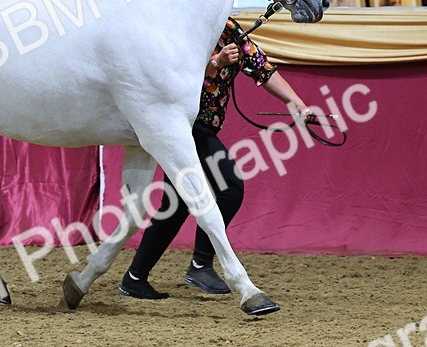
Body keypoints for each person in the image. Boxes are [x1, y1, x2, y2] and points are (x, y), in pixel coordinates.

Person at [117, 17, 315, 303]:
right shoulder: (180, 25)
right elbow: (167, 75)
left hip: (199, 127)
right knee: (229, 187)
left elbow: (262, 67)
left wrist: (295, 102)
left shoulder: (230, 29)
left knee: (176, 205)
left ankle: (135, 277)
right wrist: (215, 63)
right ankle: (199, 265)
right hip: (182, 126)